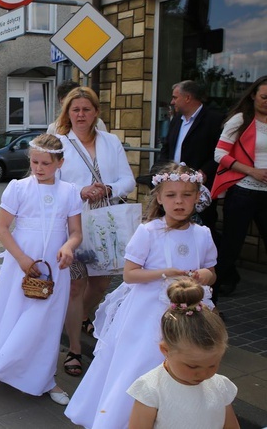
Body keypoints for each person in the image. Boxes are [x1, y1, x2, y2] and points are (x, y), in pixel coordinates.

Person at [65, 163, 217, 428]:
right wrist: (165, 272)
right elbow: (130, 275)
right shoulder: (148, 232)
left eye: (186, 195)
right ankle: (125, 418)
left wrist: (205, 275)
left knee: (184, 362)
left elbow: (211, 271)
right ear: (159, 197)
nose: (179, 202)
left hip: (189, 310)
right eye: (171, 195)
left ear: (197, 197)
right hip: (147, 312)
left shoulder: (202, 235)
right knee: (144, 361)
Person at [0, 134, 82, 405]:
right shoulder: (18, 188)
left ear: (60, 163)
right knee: (14, 313)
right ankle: (4, 364)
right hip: (20, 263)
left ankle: (43, 377)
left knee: (47, 322)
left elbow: (76, 232)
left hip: (54, 267)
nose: (38, 168)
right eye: (34, 162)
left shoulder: (69, 192)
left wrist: (69, 247)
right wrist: (22, 259)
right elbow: (2, 227)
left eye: (45, 163)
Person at [53, 86, 136, 377]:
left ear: (96, 112)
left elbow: (128, 179)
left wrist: (110, 188)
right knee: (75, 286)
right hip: (74, 224)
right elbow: (52, 182)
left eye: (86, 109)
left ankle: (82, 316)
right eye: (75, 109)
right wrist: (81, 191)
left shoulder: (111, 141)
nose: (80, 114)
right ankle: (74, 347)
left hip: (106, 224)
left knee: (100, 285)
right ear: (68, 113)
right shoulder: (60, 142)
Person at [127, 278, 239, 429]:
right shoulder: (151, 389)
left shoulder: (220, 385)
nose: (203, 374)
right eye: (193, 367)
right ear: (166, 350)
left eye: (212, 365)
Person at [211, 76, 267, 298]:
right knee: (230, 249)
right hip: (243, 192)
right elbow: (219, 154)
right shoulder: (240, 120)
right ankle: (208, 298)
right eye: (264, 96)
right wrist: (251, 171)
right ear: (253, 95)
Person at [158, 80, 224, 231]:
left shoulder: (214, 119)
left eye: (175, 97)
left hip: (199, 187)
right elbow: (166, 149)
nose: (172, 101)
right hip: (173, 185)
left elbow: (219, 152)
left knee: (202, 227)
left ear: (187, 98)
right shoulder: (176, 120)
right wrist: (161, 172)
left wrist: (204, 172)